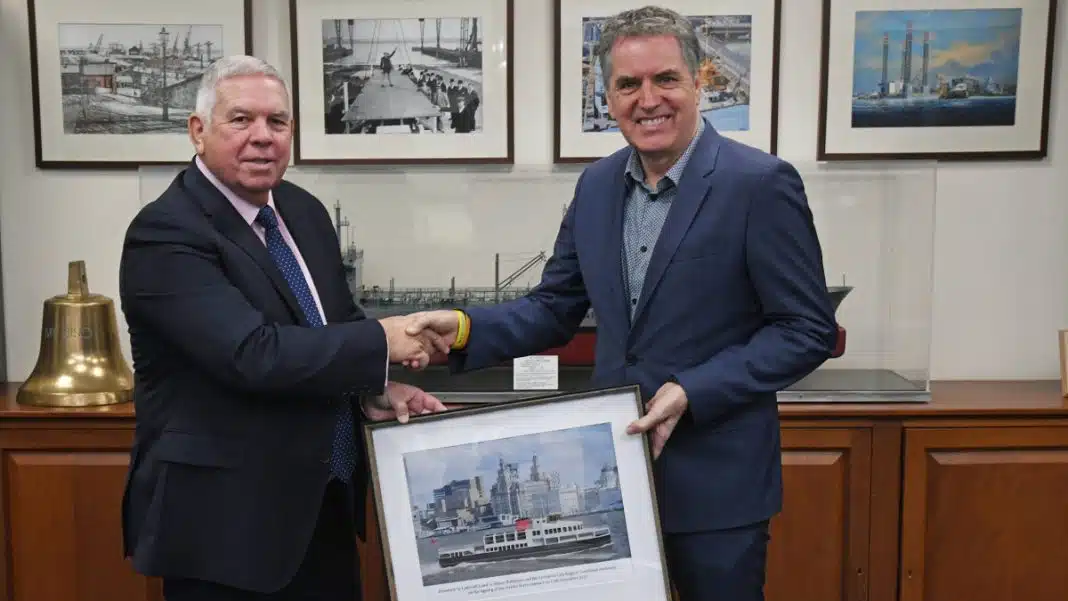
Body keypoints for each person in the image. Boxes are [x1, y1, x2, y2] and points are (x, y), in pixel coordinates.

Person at [402, 6, 838, 600]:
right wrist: (459, 328)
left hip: (718, 488)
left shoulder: (760, 184)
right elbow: (554, 307)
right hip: (616, 478)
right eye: (628, 84)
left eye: (665, 79)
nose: (647, 99)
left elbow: (806, 329)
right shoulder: (596, 185)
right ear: (607, 96)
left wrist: (692, 389)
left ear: (698, 82)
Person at [118, 55, 449, 601]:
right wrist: (383, 341)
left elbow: (331, 328)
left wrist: (373, 389)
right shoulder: (164, 233)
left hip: (324, 506)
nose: (262, 137)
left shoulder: (302, 211)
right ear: (198, 132)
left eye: (277, 122)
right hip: (228, 530)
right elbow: (252, 353)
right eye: (241, 119)